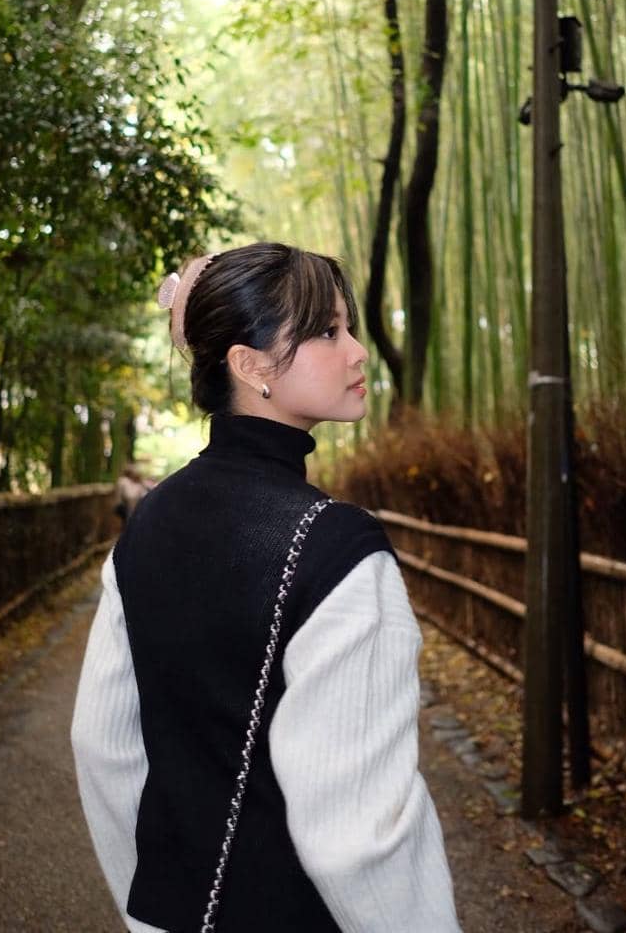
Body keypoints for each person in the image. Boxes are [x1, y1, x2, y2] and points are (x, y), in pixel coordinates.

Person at [71, 242, 461, 933]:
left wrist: (147, 902)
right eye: (325, 331)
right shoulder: (338, 550)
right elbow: (360, 834)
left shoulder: (144, 528)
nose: (357, 352)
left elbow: (102, 745)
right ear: (250, 367)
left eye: (350, 328)